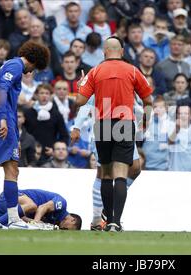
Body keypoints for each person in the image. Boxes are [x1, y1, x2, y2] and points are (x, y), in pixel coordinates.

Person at [75, 36, 153, 232]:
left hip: (102, 124)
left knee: (106, 175)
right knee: (121, 174)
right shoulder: (133, 70)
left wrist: (80, 86)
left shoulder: (95, 71)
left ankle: (106, 217)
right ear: (123, 51)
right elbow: (148, 100)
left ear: (104, 51)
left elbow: (80, 101)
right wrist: (145, 120)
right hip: (124, 123)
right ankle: (114, 222)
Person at [0, 41, 50, 230]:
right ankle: (13, 218)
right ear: (35, 61)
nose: (31, 72)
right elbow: (1, 88)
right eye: (35, 68)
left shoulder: (8, 65)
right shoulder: (16, 65)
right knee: (12, 170)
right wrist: (3, 119)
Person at [71, 94, 145, 230]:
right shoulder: (99, 75)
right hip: (103, 129)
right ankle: (96, 220)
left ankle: (108, 207)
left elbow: (138, 102)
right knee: (104, 173)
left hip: (125, 129)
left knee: (135, 168)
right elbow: (85, 104)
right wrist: (77, 127)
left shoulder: (128, 75)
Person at [0, 189, 81, 230]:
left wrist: (32, 222)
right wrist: (36, 223)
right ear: (73, 220)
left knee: (11, 229)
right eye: (68, 229)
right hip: (8, 197)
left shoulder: (52, 222)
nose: (65, 230)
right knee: (32, 206)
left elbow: (22, 218)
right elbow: (42, 208)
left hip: (6, 210)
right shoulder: (62, 203)